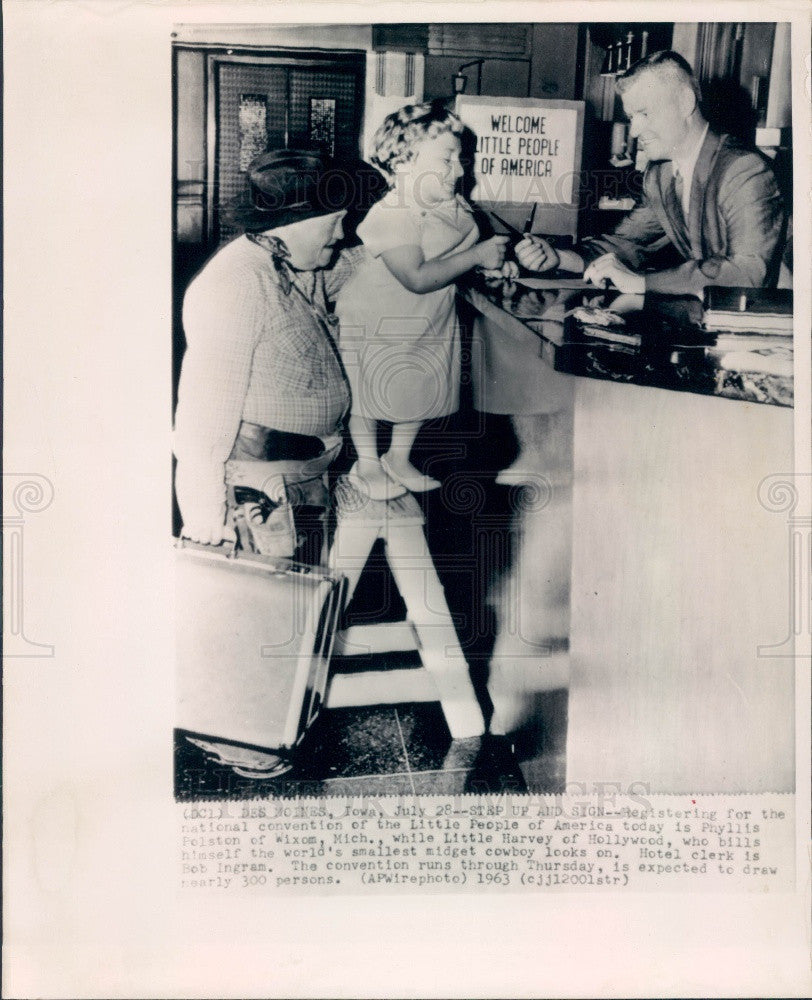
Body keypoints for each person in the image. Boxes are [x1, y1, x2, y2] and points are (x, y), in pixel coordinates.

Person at [174, 149, 380, 546]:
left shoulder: (293, 262)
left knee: (304, 606)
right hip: (259, 496)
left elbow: (371, 260)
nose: (341, 234)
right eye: (335, 222)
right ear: (298, 222)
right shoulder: (237, 284)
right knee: (270, 605)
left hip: (302, 480)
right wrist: (206, 522)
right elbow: (203, 423)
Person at [334, 101, 510, 498]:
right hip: (379, 314)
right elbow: (415, 276)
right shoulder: (393, 212)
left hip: (429, 313)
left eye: (461, 159)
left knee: (416, 385)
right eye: (447, 159)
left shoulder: (455, 206)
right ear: (403, 161)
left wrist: (491, 264)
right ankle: (366, 464)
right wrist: (478, 256)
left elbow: (456, 258)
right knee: (369, 389)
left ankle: (398, 457)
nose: (460, 171)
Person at [515, 50, 786, 297]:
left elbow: (748, 274)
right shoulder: (661, 175)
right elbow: (627, 244)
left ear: (685, 102)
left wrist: (642, 282)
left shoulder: (745, 169)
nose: (634, 131)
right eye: (632, 117)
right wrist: (559, 258)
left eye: (644, 113)